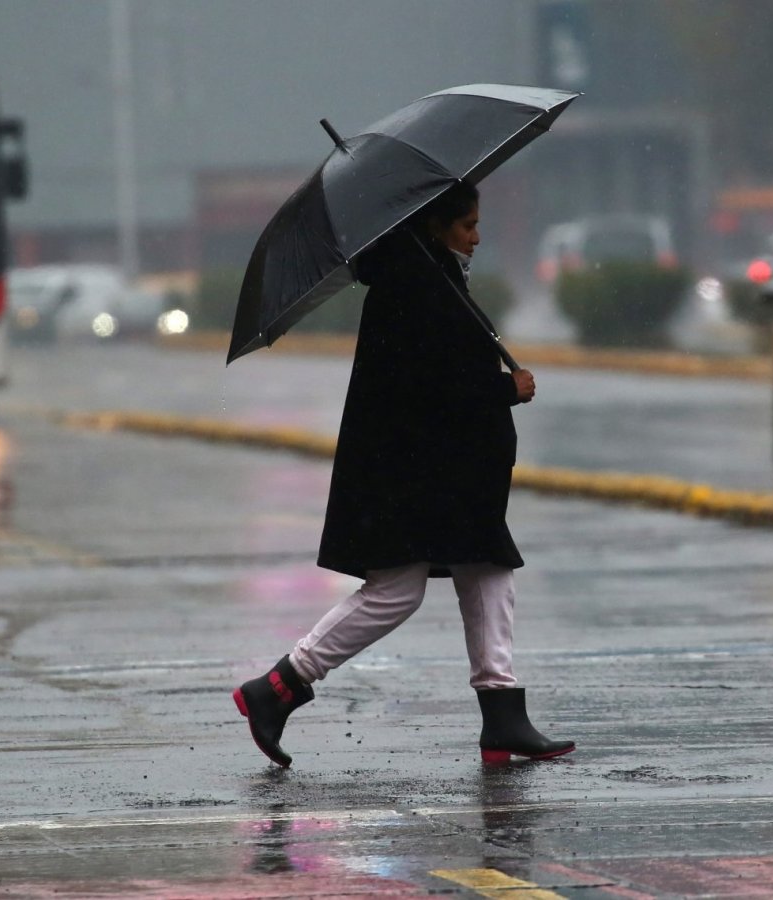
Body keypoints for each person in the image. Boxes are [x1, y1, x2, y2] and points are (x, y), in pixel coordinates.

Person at [233, 180, 575, 768]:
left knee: (487, 571)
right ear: (433, 226)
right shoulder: (413, 282)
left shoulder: (429, 273)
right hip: (412, 474)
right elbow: (430, 386)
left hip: (439, 472)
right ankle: (278, 688)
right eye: (466, 223)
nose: (476, 233)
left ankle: (502, 716)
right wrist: (505, 389)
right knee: (397, 591)